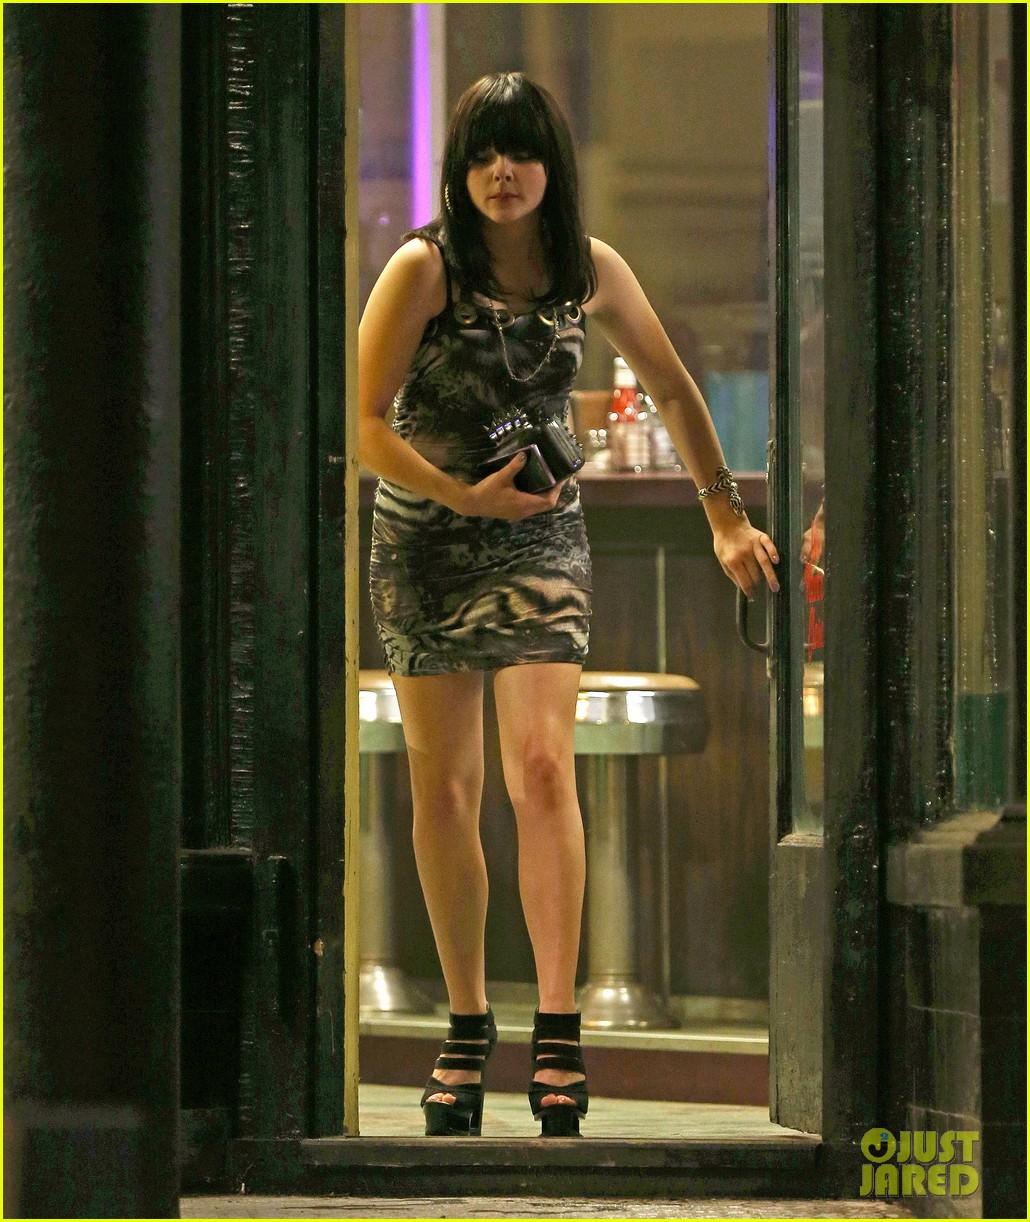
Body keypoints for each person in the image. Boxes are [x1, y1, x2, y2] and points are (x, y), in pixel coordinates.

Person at [357, 71, 780, 1139]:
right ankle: (464, 1025)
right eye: (482, 154)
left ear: (553, 166)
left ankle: (557, 1027)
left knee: (543, 765)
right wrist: (459, 493)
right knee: (445, 789)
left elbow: (672, 387)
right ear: (459, 171)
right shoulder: (423, 269)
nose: (502, 173)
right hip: (428, 539)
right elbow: (359, 422)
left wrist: (724, 518)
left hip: (540, 535)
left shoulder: (590, 268)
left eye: (523, 152)